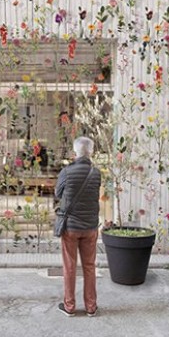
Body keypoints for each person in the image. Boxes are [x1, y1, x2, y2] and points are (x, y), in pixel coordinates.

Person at [54, 136, 102, 317]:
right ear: (90, 152)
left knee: (70, 267)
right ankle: (91, 307)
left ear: (75, 153)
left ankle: (70, 306)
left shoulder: (66, 172)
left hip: (71, 227)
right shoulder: (96, 173)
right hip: (90, 227)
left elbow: (58, 193)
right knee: (89, 266)